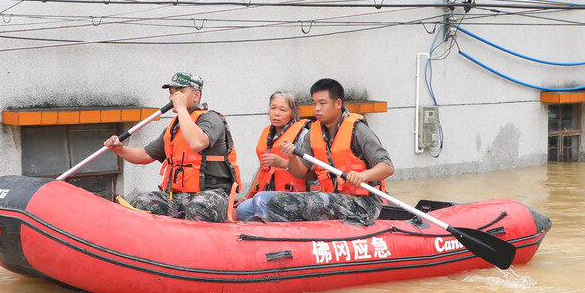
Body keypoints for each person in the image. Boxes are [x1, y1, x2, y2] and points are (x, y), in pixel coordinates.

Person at [237, 78, 395, 224]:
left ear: (338, 103)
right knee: (270, 200)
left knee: (317, 202)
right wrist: (292, 156)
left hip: (365, 202)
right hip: (330, 198)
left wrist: (362, 176)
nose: (317, 109)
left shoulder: (358, 130)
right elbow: (301, 173)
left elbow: (387, 167)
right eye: (314, 104)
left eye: (322, 103)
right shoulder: (314, 132)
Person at [106, 72, 239, 222]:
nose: (173, 98)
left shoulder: (211, 119)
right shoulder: (174, 127)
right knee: (142, 201)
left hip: (212, 193)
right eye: (172, 93)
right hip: (178, 196)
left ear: (196, 96)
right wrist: (120, 149)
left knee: (198, 207)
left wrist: (181, 109)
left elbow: (197, 143)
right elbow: (144, 155)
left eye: (180, 93)